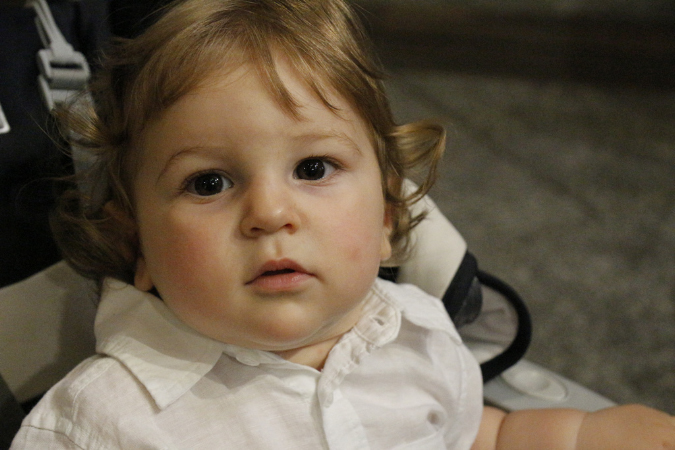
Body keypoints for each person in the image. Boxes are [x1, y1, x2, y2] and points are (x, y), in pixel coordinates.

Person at [12, 0, 675, 448]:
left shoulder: (416, 334)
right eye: (209, 182)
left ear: (387, 216)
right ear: (137, 245)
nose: (271, 213)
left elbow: (473, 433)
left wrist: (583, 435)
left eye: (313, 168)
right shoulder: (104, 422)